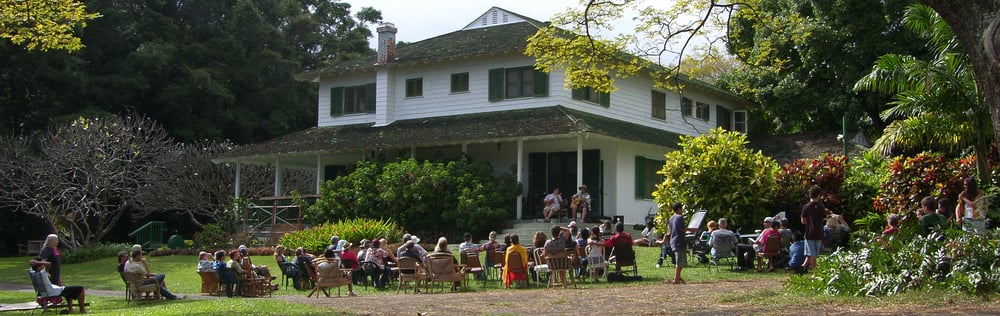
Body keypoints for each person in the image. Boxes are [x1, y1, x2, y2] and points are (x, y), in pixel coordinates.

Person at [668, 203, 696, 284]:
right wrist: (694, 229)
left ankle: (678, 277)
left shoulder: (671, 218)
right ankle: (676, 279)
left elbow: (669, 230)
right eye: (682, 209)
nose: (682, 210)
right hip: (679, 241)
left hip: (673, 241)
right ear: (679, 209)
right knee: (680, 261)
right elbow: (682, 228)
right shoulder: (679, 217)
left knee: (679, 259)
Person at [801, 185, 827, 273]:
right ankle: (804, 267)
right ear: (819, 195)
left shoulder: (806, 207)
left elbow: (803, 221)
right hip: (819, 232)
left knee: (811, 253)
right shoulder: (821, 206)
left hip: (809, 232)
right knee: (814, 253)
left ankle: (812, 271)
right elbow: (823, 218)